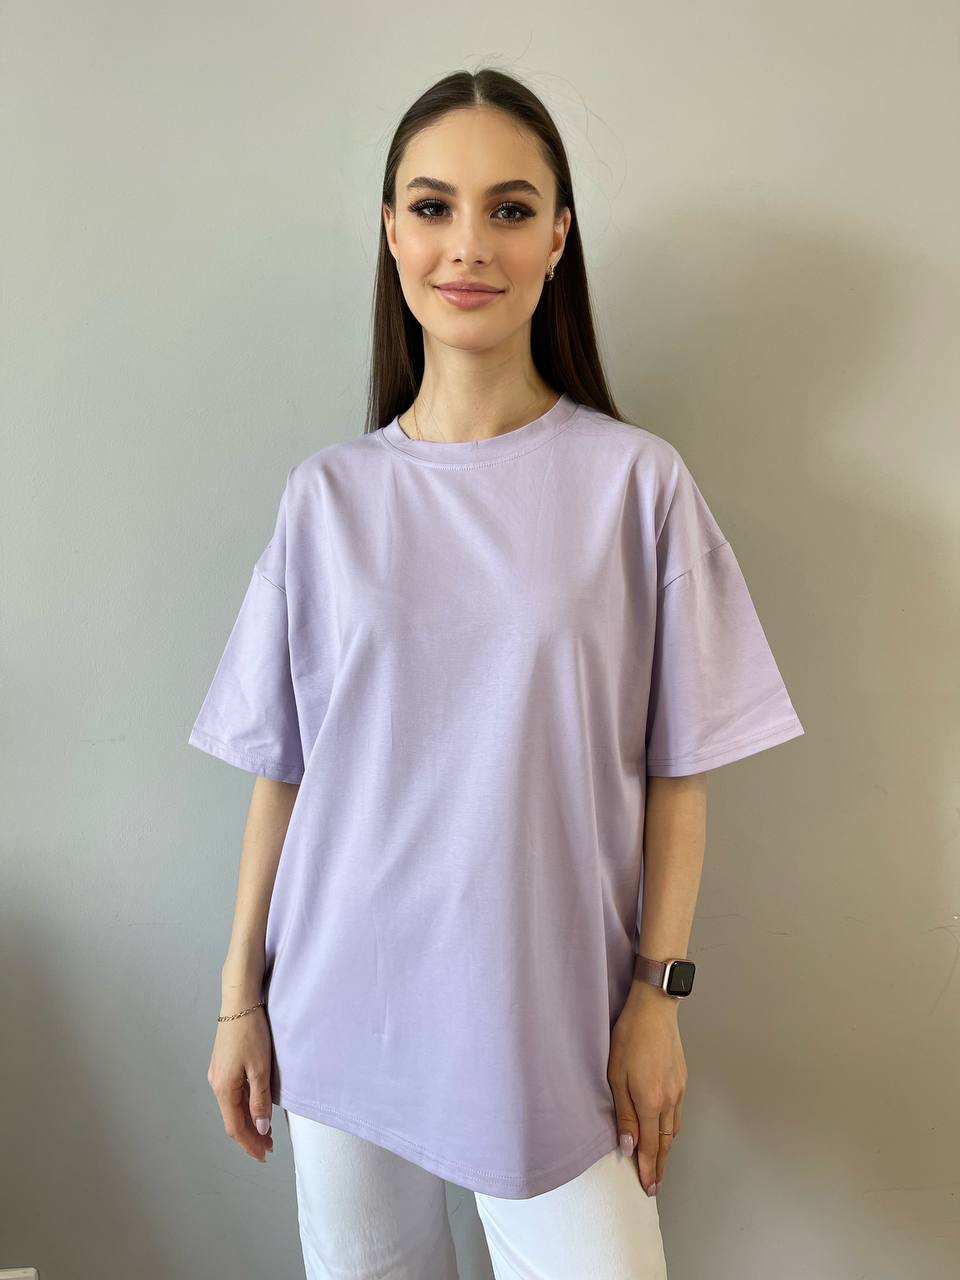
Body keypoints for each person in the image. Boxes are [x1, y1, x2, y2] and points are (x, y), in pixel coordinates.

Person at [191, 67, 805, 1280]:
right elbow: (285, 772)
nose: (468, 244)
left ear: (558, 236)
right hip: (340, 1005)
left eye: (509, 209)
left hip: (547, 1018)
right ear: (391, 231)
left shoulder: (636, 486)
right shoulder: (327, 498)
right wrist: (237, 996)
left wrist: (657, 998)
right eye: (433, 207)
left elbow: (679, 771)